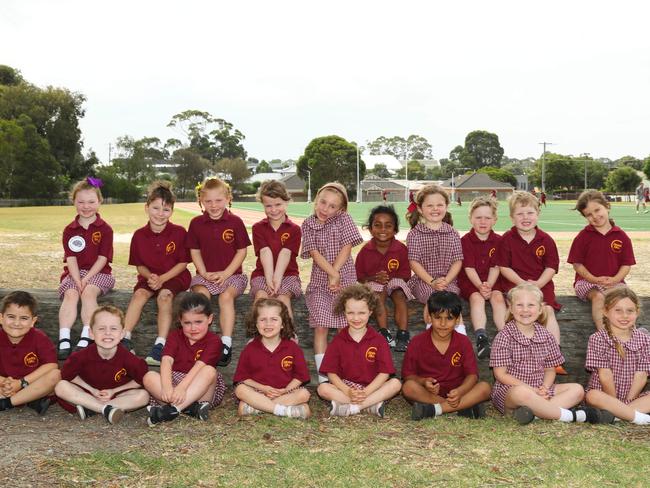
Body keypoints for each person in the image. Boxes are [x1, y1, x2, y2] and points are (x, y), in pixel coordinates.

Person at [489, 284, 601, 425]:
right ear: (510, 308)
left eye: (531, 305)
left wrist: (545, 388)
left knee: (577, 390)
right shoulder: (504, 336)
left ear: (540, 308)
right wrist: (531, 390)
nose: (525, 310)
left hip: (541, 388)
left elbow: (550, 369)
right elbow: (501, 375)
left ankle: (535, 414)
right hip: (511, 391)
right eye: (519, 305)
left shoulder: (546, 336)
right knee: (522, 393)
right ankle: (570, 416)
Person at [494, 190, 567, 375]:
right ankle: (510, 349)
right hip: (514, 284)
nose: (525, 218)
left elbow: (551, 267)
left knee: (547, 311)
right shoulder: (506, 239)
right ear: (512, 217)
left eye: (530, 213)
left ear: (537, 214)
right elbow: (503, 267)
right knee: (514, 312)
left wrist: (538, 284)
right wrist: (522, 285)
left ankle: (554, 355)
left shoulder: (546, 240)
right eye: (520, 214)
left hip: (541, 285)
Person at [123, 181, 191, 365]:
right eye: (155, 208)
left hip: (174, 277)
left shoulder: (178, 232)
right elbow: (139, 266)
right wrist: (150, 277)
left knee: (164, 297)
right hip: (149, 278)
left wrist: (162, 279)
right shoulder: (139, 235)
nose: (160, 214)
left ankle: (160, 345)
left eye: (166, 209)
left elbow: (183, 263)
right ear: (146, 208)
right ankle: (125, 338)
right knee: (139, 295)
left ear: (172, 212)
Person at [301, 182, 363, 383]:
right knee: (321, 325)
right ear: (316, 200)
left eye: (332, 206)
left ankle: (347, 372)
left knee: (345, 327)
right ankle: (323, 376)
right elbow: (314, 253)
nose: (325, 209)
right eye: (323, 202)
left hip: (345, 279)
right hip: (320, 282)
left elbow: (347, 247)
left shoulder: (344, 219)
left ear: (341, 209)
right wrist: (330, 274)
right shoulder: (308, 224)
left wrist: (336, 273)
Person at [187, 177, 250, 367]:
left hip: (233, 275)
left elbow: (242, 251)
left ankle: (226, 343)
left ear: (228, 198)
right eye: (208, 201)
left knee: (225, 297)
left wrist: (226, 274)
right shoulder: (196, 223)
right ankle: (201, 340)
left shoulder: (235, 222)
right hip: (205, 275)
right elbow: (194, 251)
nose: (213, 205)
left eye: (218, 200)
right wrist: (204, 273)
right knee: (201, 297)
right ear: (201, 201)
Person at [402, 291, 491, 420]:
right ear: (429, 317)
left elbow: (472, 376)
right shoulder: (417, 342)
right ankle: (463, 407)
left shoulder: (463, 341)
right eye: (438, 317)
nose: (443, 324)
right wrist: (424, 382)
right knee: (408, 388)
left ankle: (435, 410)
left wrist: (460, 391)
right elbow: (408, 376)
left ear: (457, 319)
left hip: (458, 393)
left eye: (449, 318)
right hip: (429, 395)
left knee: (485, 388)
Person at [317, 284, 402, 417]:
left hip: (373, 388)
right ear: (344, 312)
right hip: (347, 389)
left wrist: (366, 392)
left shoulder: (379, 340)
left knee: (395, 384)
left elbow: (385, 373)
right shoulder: (338, 341)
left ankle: (353, 408)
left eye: (361, 313)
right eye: (350, 313)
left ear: (370, 312)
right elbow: (331, 374)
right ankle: (370, 406)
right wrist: (348, 391)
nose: (356, 318)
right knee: (322, 388)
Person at [55, 305, 150, 424]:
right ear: (91, 333)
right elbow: (68, 375)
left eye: (114, 328)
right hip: (87, 394)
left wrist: (114, 391)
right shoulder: (80, 356)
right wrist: (93, 391)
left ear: (122, 334)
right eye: (101, 328)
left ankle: (92, 409)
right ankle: (104, 409)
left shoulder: (129, 358)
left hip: (116, 397)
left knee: (143, 396)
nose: (108, 333)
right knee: (61, 386)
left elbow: (141, 379)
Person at [143, 292, 226, 425]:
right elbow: (166, 360)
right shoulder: (174, 336)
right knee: (149, 377)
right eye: (187, 323)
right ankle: (191, 409)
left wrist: (182, 388)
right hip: (174, 385)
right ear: (180, 321)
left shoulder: (214, 341)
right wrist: (166, 387)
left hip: (200, 389)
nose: (193, 328)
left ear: (209, 319)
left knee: (210, 371)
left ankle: (171, 410)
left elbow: (199, 366)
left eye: (198, 322)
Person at [57, 178, 115, 360]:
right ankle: (64, 338)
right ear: (73, 201)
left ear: (99, 202)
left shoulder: (105, 229)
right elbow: (71, 258)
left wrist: (86, 278)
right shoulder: (69, 230)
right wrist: (76, 279)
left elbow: (103, 258)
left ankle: (86, 336)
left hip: (99, 273)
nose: (86, 206)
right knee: (71, 294)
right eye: (80, 202)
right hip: (74, 273)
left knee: (88, 292)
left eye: (91, 202)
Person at [406, 184, 465, 351]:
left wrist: (446, 280)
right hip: (424, 280)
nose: (435, 209)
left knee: (452, 301)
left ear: (446, 206)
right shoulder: (415, 233)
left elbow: (457, 260)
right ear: (420, 208)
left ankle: (460, 339)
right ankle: (430, 344)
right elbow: (414, 262)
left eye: (439, 205)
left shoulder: (452, 233)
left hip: (448, 280)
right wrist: (432, 281)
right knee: (433, 299)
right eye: (429, 205)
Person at [568, 190, 635, 330]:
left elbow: (626, 264)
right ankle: (604, 335)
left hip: (615, 282)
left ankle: (627, 336)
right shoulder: (583, 236)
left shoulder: (621, 236)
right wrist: (593, 278)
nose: (595, 217)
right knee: (599, 297)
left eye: (597, 210)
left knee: (624, 301)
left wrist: (615, 279)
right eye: (589, 215)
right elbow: (577, 264)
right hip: (586, 282)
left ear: (607, 206)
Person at [233, 298, 310, 419]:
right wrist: (264, 388)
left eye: (274, 319)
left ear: (283, 324)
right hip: (258, 392)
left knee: (304, 394)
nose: (268, 324)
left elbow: (300, 377)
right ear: (256, 323)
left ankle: (257, 407)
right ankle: (282, 410)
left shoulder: (293, 348)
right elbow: (243, 378)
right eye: (263, 319)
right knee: (240, 390)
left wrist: (285, 390)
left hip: (285, 392)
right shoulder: (250, 349)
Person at [584, 287, 650, 424]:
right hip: (604, 395)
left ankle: (617, 415)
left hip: (632, 398)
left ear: (637, 312)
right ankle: (637, 417)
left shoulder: (645, 340)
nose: (624, 316)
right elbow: (605, 375)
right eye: (618, 310)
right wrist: (614, 401)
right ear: (606, 312)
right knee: (592, 395)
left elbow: (641, 375)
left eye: (630, 311)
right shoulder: (598, 338)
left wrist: (626, 402)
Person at [355, 205, 413, 350]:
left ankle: (403, 335)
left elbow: (406, 275)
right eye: (377, 225)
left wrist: (390, 280)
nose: (382, 230)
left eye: (388, 226)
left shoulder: (400, 249)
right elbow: (360, 276)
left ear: (395, 230)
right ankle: (384, 332)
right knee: (377, 293)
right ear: (370, 228)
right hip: (373, 282)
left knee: (399, 294)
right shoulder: (365, 250)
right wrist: (375, 277)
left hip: (395, 281)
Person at [458, 197, 506, 359]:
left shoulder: (500, 241)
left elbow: (496, 266)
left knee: (498, 298)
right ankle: (481, 337)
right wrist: (481, 286)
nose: (483, 221)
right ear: (471, 219)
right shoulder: (465, 241)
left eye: (487, 217)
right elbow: (469, 268)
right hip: (471, 281)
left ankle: (505, 336)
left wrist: (489, 286)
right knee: (477, 298)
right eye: (478, 217)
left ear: (494, 220)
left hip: (493, 281)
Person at [0, 291, 60, 415]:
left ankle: (7, 403)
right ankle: (29, 399)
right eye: (11, 317)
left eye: (24, 318)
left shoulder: (40, 338)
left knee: (55, 375)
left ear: (33, 321)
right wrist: (4, 382)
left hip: (30, 384)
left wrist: (21, 383)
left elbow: (51, 365)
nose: (16, 323)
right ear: (1, 318)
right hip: (4, 384)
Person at [249, 180, 302, 319]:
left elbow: (286, 253)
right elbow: (265, 252)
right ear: (263, 205)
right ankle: (257, 336)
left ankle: (289, 337)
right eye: (268, 206)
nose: (273, 210)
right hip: (262, 274)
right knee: (261, 298)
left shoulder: (294, 229)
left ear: (286, 202)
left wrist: (277, 279)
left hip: (288, 275)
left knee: (283, 300)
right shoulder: (258, 228)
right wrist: (269, 279)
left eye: (278, 204)